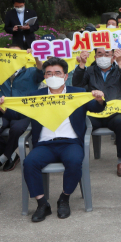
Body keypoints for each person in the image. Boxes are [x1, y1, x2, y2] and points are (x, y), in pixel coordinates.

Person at [0, 57, 106, 222]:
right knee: (29, 163)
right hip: (44, 145)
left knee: (74, 160)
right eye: (49, 73)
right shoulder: (36, 96)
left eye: (57, 73)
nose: (53, 76)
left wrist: (99, 99)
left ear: (65, 76)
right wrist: (3, 107)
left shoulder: (77, 93)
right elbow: (18, 113)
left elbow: (97, 107)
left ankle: (64, 198)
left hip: (70, 142)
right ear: (44, 77)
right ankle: (42, 204)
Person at [72, 48, 121, 177]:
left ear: (113, 57)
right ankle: (77, 160)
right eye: (99, 54)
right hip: (95, 111)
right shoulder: (89, 70)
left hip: (114, 112)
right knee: (80, 127)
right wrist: (82, 64)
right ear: (94, 57)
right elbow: (76, 85)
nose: (103, 56)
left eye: (107, 54)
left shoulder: (119, 70)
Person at [0, 45, 44, 171]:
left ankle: (4, 157)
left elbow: (41, 70)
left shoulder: (30, 71)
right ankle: (12, 155)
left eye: (17, 55)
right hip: (5, 112)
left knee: (17, 129)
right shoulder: (2, 72)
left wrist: (36, 57)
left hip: (25, 113)